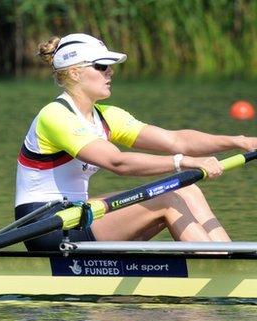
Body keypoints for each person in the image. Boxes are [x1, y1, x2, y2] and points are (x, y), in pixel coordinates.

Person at [15, 33, 257, 251]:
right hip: (45, 226)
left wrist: (240, 141)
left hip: (78, 215)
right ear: (75, 72)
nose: (111, 72)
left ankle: (229, 257)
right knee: (169, 197)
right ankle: (217, 269)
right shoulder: (54, 115)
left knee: (188, 189)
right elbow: (117, 162)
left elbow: (176, 140)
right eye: (102, 66)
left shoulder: (106, 116)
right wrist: (186, 163)